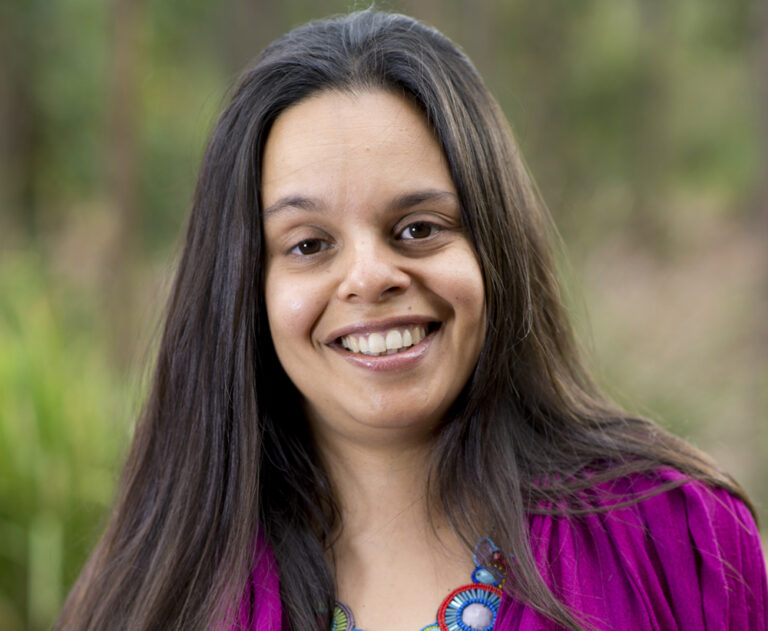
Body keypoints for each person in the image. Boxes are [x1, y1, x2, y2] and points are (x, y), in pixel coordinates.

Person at [55, 9, 767, 631]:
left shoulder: (680, 540)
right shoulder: (154, 591)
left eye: (419, 228)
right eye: (308, 245)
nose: (370, 277)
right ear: (244, 287)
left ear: (495, 247)